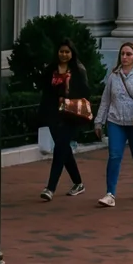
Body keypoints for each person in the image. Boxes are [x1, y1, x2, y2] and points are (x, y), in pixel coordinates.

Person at [93, 41, 133, 206]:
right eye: (122, 54)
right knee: (114, 156)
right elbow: (105, 100)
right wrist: (99, 122)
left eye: (128, 54)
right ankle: (110, 194)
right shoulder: (114, 75)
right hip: (115, 121)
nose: (125, 57)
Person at [37, 38, 89, 200]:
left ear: (72, 53)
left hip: (71, 115)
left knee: (60, 148)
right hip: (53, 114)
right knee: (64, 149)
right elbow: (45, 91)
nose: (64, 55)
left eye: (67, 52)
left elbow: (85, 92)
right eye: (61, 51)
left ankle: (50, 188)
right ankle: (78, 183)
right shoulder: (50, 69)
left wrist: (68, 95)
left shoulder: (78, 70)